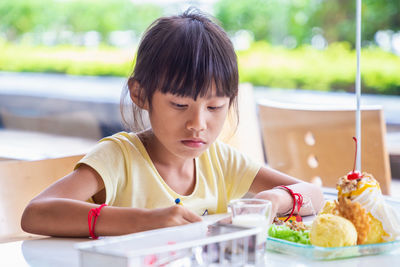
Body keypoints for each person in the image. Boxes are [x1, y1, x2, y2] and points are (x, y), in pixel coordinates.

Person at [21, 8, 324, 238]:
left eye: (215, 107)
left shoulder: (220, 160)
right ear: (140, 94)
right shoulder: (119, 158)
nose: (198, 123)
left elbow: (314, 194)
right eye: (179, 105)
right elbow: (35, 214)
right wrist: (143, 220)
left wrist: (275, 198)